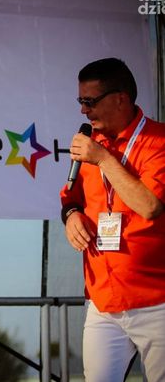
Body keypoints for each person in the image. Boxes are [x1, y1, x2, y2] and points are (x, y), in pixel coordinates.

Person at [60, 58, 165, 381]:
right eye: (80, 101)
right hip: (102, 300)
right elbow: (70, 196)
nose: (83, 111)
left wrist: (104, 159)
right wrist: (71, 215)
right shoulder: (91, 145)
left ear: (120, 99)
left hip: (157, 301)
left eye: (90, 101)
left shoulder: (158, 142)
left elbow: (150, 206)